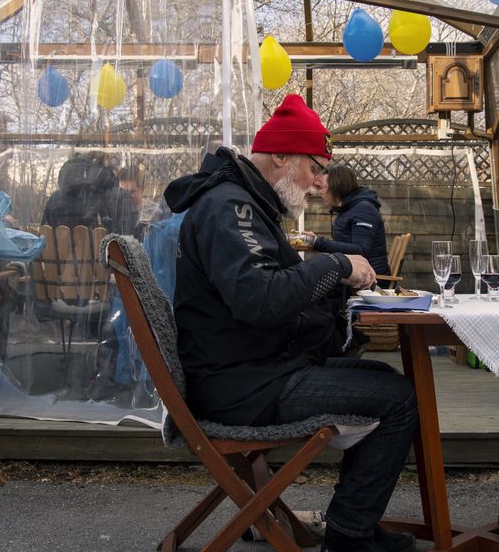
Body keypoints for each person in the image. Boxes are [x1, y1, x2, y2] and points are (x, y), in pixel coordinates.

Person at [163, 93, 418, 552]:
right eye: (314, 167)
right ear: (280, 156)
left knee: (382, 379)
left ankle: (351, 526)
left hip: (251, 370)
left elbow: (267, 291)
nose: (318, 182)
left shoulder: (242, 201)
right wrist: (337, 265)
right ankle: (349, 536)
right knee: (398, 398)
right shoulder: (230, 206)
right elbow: (260, 299)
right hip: (243, 386)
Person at [297, 163, 391, 276]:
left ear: (337, 187)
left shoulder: (364, 210)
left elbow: (360, 250)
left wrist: (317, 242)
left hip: (369, 279)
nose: (320, 192)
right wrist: (315, 241)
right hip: (354, 273)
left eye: (324, 187)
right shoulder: (348, 209)